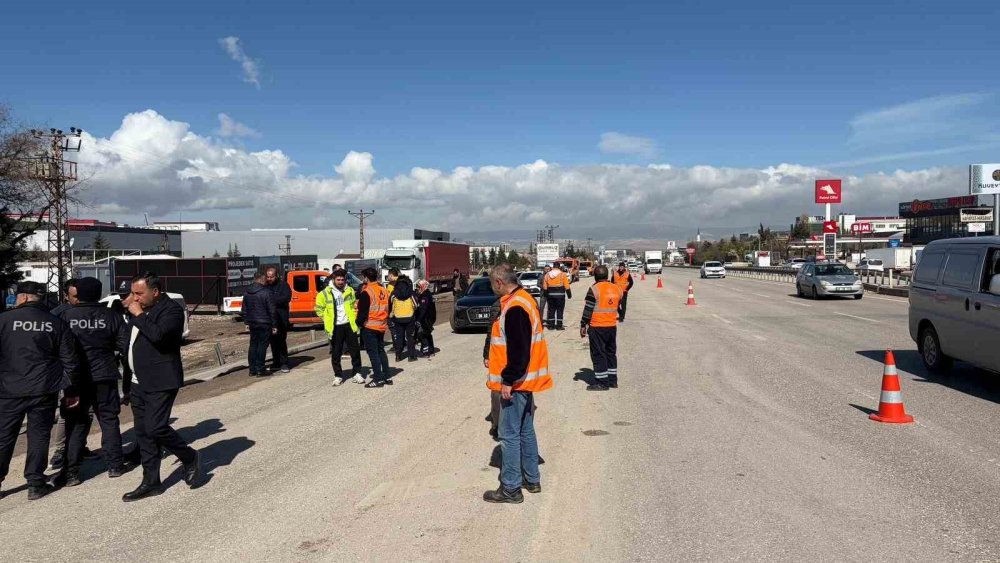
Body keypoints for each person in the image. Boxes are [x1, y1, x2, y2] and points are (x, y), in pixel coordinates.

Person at [121, 272, 202, 502]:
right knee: (143, 434)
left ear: (155, 292)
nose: (135, 299)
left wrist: (137, 314)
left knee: (156, 427)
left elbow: (160, 338)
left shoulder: (171, 311)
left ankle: (189, 457)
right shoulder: (137, 310)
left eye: (139, 293)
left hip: (161, 380)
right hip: (137, 381)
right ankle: (151, 481)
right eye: (132, 294)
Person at [0, 281, 82, 500]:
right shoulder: (55, 323)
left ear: (24, 297)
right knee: (38, 436)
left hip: (8, 390)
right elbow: (71, 362)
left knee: (4, 436)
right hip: (44, 389)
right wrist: (69, 389)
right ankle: (35, 484)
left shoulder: (3, 320)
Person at [482, 264, 552, 504]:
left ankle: (511, 487)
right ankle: (531, 479)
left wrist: (508, 380)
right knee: (525, 430)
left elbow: (519, 350)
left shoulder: (515, 308)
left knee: (508, 435)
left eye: (493, 285)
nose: (493, 289)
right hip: (526, 381)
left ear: (500, 283)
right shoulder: (525, 300)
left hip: (516, 382)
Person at [55, 277, 132, 486]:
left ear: (77, 294)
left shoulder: (63, 315)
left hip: (74, 379)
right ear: (99, 294)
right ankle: (115, 465)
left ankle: (71, 472)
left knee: (76, 422)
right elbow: (126, 346)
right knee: (109, 420)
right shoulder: (111, 315)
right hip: (104, 376)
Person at [315, 269, 363, 386]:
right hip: (335, 327)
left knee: (355, 350)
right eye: (338, 279)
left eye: (342, 279)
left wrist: (354, 316)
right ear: (333, 280)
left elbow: (353, 305)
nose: (341, 282)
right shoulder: (324, 293)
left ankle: (357, 373)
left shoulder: (350, 290)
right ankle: (338, 375)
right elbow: (318, 309)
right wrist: (326, 319)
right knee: (336, 352)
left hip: (349, 324)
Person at [580, 265, 623, 391]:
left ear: (595, 276)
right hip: (611, 326)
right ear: (607, 276)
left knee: (598, 354)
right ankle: (612, 380)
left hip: (597, 327)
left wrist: (583, 324)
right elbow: (618, 304)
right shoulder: (617, 289)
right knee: (610, 353)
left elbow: (588, 309)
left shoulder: (594, 289)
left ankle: (602, 382)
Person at [356, 268, 392, 388]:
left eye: (363, 277)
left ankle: (377, 378)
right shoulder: (384, 290)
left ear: (366, 278)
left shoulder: (367, 292)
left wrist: (358, 323)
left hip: (370, 326)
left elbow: (362, 312)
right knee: (381, 351)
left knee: (373, 353)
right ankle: (387, 375)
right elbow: (389, 307)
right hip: (381, 325)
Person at [240, 273, 279, 378]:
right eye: (265, 279)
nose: (267, 280)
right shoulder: (267, 292)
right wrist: (274, 325)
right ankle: (260, 369)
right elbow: (272, 310)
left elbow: (244, 309)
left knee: (253, 345)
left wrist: (246, 322)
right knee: (262, 345)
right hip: (264, 323)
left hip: (252, 322)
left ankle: (252, 369)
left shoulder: (247, 292)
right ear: (262, 279)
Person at [265, 266, 292, 373]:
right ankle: (276, 362)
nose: (269, 279)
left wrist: (271, 301)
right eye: (268, 277)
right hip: (270, 319)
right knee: (273, 342)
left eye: (271, 277)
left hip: (281, 318)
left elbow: (286, 298)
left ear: (276, 276)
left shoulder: (283, 286)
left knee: (281, 341)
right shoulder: (265, 287)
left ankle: (284, 363)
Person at [390, 274, 418, 362]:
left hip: (398, 318)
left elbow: (390, 304)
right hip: (409, 317)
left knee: (399, 337)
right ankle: (411, 356)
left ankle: (398, 356)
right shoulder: (411, 292)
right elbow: (416, 305)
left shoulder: (394, 292)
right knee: (410, 337)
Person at [541, 264, 571, 330]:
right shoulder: (563, 274)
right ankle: (559, 326)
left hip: (550, 296)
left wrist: (546, 295)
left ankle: (551, 326)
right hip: (560, 296)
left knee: (551, 310)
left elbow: (544, 287)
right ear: (559, 267)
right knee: (560, 310)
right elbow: (566, 286)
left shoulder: (547, 275)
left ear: (553, 267)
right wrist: (569, 295)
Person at [415, 280, 437, 357]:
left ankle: (425, 352)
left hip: (426, 319)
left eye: (418, 287)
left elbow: (423, 310)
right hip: (429, 318)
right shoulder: (426, 294)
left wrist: (418, 320)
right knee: (427, 334)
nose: (417, 289)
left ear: (423, 287)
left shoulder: (425, 296)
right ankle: (431, 350)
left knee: (422, 334)